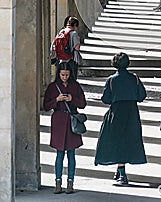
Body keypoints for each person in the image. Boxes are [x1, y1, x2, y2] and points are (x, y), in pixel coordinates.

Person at [95, 52, 147, 185]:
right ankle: (120, 170)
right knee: (128, 140)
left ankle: (122, 173)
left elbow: (106, 99)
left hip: (116, 112)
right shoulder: (134, 78)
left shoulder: (112, 80)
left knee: (117, 141)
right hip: (131, 112)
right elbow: (142, 95)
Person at [43, 61, 87, 194]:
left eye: (67, 75)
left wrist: (72, 99)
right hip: (58, 121)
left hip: (72, 122)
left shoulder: (76, 86)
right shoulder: (52, 87)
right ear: (58, 74)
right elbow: (45, 106)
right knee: (59, 154)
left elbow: (83, 103)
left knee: (72, 154)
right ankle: (57, 182)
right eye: (62, 75)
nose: (64, 77)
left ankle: (70, 183)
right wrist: (56, 99)